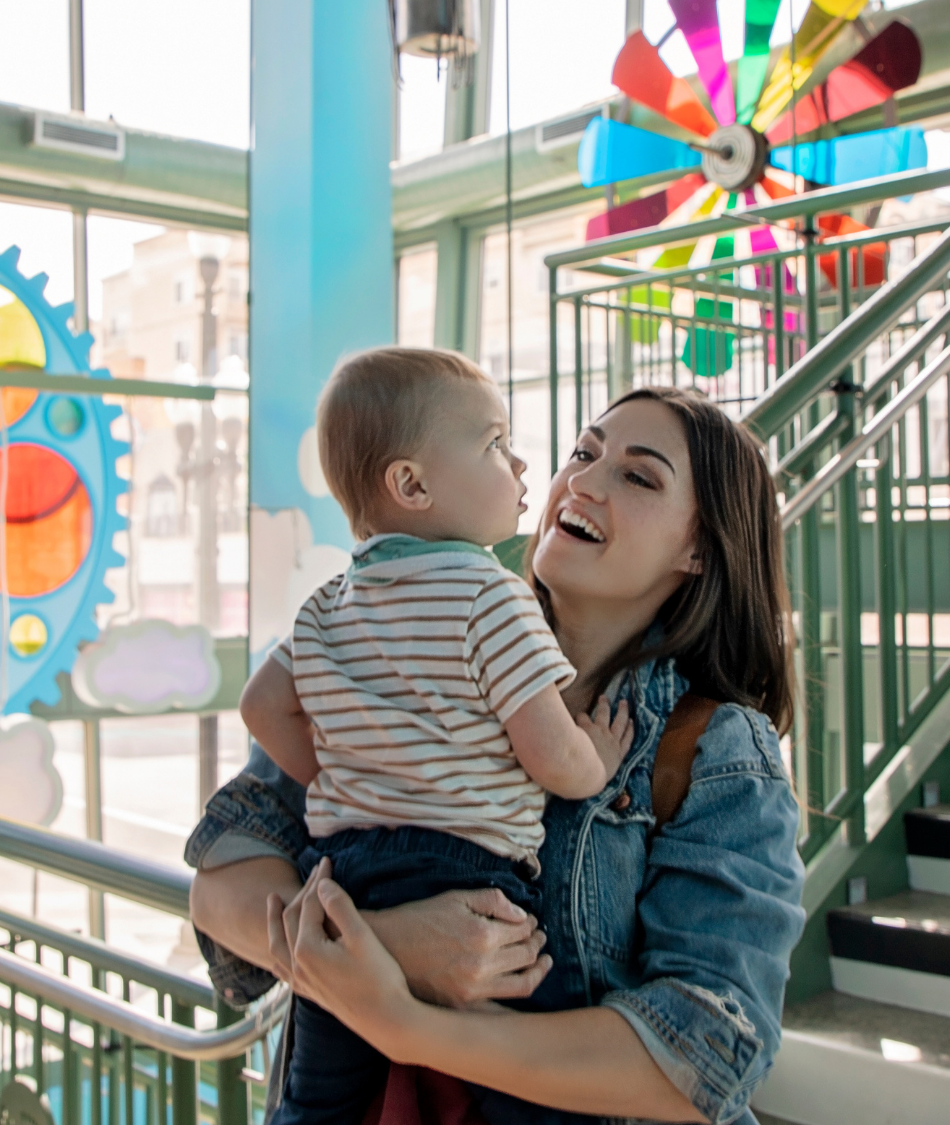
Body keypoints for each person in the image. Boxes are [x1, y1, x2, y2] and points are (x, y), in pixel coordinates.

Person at [187, 386, 807, 1125]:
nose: (581, 480)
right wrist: (391, 944)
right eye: (584, 452)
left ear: (699, 548)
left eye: (637, 476)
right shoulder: (402, 632)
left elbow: (703, 1052)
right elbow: (222, 886)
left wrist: (413, 1023)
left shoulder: (715, 750)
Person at [237, 347, 633, 1124]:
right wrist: (601, 762)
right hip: (468, 872)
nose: (522, 464)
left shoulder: (326, 603)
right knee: (527, 1091)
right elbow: (553, 754)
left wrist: (349, 771)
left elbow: (261, 704)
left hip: (341, 874)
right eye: (493, 444)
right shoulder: (491, 592)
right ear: (411, 485)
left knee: (318, 1099)